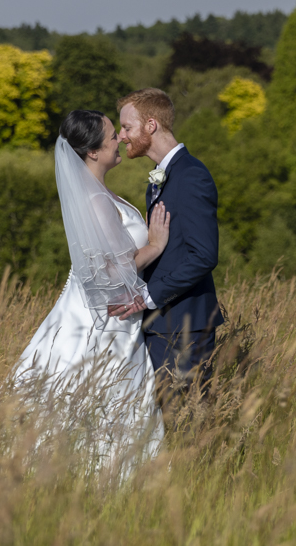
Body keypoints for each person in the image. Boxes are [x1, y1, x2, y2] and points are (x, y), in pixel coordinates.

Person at [12, 109, 167, 469]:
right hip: (106, 318)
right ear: (93, 152)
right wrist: (155, 247)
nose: (120, 140)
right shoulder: (96, 202)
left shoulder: (98, 194)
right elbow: (108, 271)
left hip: (114, 314)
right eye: (113, 136)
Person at [109, 88, 222, 400]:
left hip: (184, 326)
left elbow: (204, 256)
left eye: (127, 128)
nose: (121, 136)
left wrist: (148, 297)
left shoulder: (191, 175)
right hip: (161, 325)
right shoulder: (158, 179)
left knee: (187, 424)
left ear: (151, 125)